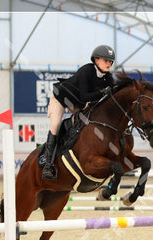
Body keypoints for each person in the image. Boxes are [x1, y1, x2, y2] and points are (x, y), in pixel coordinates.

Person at [42, 45, 116, 180]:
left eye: (111, 61)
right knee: (56, 125)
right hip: (62, 98)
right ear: (96, 60)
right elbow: (84, 97)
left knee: (88, 121)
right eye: (106, 60)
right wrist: (102, 92)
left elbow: (114, 93)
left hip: (78, 103)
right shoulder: (86, 71)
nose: (109, 63)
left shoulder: (108, 77)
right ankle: (48, 164)